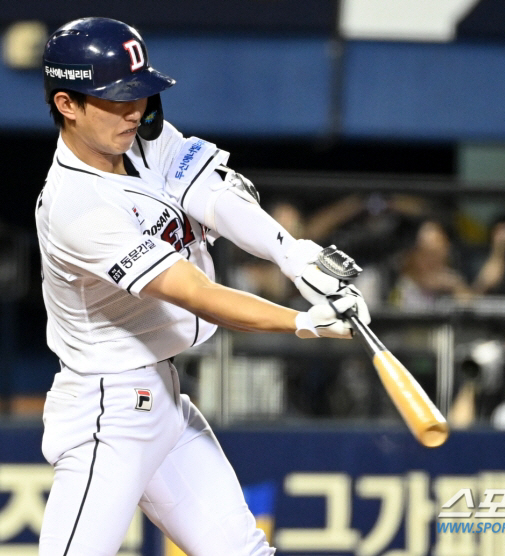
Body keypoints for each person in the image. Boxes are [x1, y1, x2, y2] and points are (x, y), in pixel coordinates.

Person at [36, 17, 370, 555]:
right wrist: (301, 321)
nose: (135, 110)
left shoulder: (143, 138)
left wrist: (294, 254)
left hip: (162, 398)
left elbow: (215, 197)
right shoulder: (76, 204)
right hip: (107, 410)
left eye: (138, 94)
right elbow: (193, 291)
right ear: (68, 105)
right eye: (115, 99)